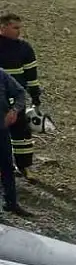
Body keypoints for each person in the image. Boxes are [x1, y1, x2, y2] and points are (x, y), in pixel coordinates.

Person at [0, 14, 43, 179]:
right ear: (3, 27)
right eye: (15, 28)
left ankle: (24, 167)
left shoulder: (24, 48)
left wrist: (35, 97)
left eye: (20, 28)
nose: (19, 31)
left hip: (17, 99)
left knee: (22, 134)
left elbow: (32, 76)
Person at [0, 68, 32, 217]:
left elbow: (20, 92)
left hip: (1, 130)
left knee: (7, 166)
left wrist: (14, 111)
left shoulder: (1, 75)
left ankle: (11, 204)